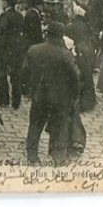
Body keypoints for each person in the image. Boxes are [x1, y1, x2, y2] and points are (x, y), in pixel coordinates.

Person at [21, 22, 81, 164]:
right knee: (59, 127)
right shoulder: (66, 55)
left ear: (47, 34)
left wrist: (28, 90)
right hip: (60, 99)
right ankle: (57, 156)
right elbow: (75, 78)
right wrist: (73, 96)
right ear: (61, 37)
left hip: (39, 96)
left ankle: (32, 155)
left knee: (35, 125)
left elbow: (24, 73)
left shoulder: (34, 50)